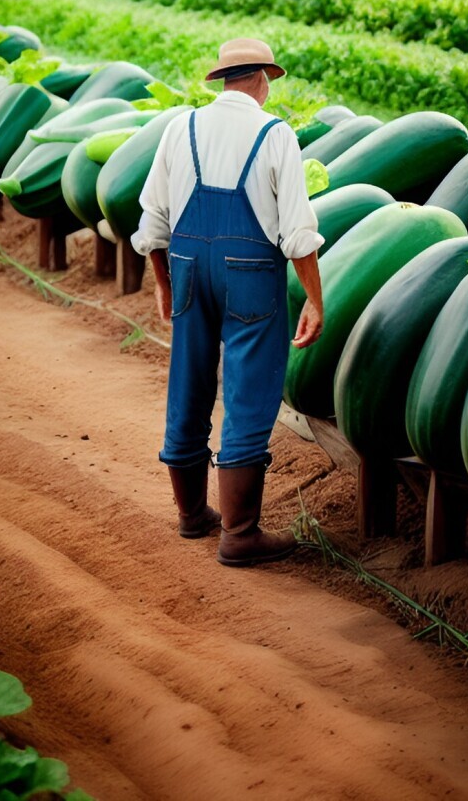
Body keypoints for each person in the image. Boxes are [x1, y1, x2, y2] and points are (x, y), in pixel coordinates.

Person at [131, 38, 324, 566]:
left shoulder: (181, 126)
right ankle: (239, 533)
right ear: (262, 78)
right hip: (251, 274)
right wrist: (314, 298)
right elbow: (298, 233)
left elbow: (153, 223)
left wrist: (165, 284)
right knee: (249, 388)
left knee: (189, 380)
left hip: (189, 267)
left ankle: (193, 514)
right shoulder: (274, 133)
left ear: (222, 80)